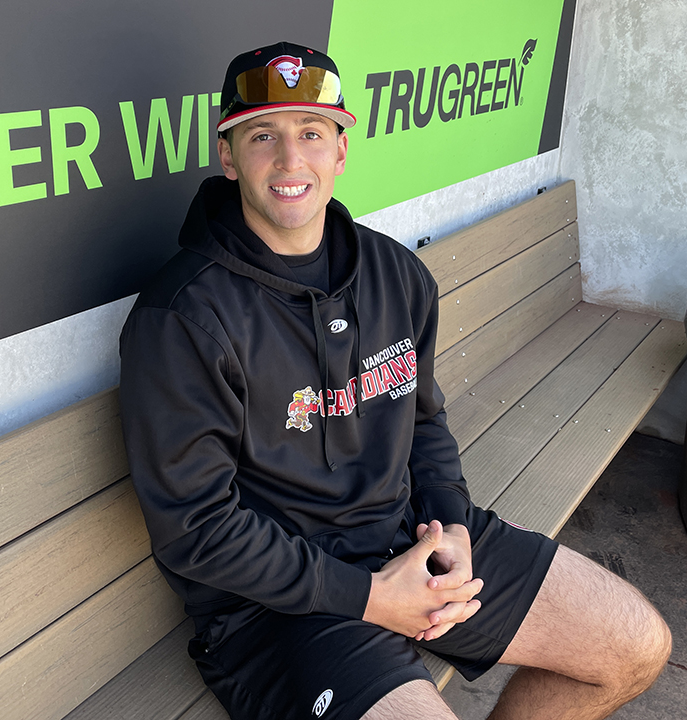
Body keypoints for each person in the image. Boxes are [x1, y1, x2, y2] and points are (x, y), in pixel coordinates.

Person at [118, 41, 671, 720]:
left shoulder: (394, 275)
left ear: (341, 151)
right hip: (282, 608)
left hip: (412, 537)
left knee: (635, 646)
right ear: (229, 156)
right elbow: (197, 530)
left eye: (312, 133)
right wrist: (371, 597)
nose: (291, 160)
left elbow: (423, 420)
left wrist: (454, 523)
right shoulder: (183, 317)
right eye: (263, 135)